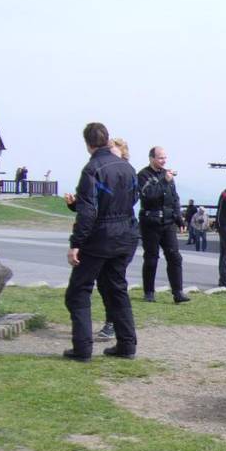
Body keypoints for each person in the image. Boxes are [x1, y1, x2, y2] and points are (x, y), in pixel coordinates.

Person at [63, 122, 140, 361]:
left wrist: (76, 243)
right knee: (116, 289)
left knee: (78, 291)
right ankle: (127, 345)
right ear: (107, 139)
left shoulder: (92, 169)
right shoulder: (127, 167)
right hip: (126, 233)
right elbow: (132, 199)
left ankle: (82, 348)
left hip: (100, 237)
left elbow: (88, 212)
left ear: (88, 144)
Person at [93, 137, 133, 343]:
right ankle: (116, 325)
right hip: (105, 233)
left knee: (114, 281)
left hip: (122, 233)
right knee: (103, 280)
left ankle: (115, 325)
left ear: (122, 153)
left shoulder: (127, 174)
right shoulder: (102, 172)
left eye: (113, 150)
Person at [137, 146, 189, 303]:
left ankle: (178, 292)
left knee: (174, 256)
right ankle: (149, 292)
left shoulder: (167, 175)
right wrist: (164, 182)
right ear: (151, 158)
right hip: (150, 222)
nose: (163, 161)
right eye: (160, 158)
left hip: (168, 222)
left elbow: (174, 198)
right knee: (151, 258)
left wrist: (179, 219)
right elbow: (147, 196)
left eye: (165, 158)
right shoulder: (143, 175)